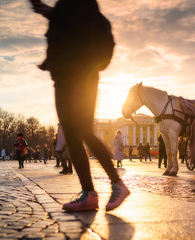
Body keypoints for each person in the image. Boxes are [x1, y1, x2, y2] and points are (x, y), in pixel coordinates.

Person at [30, 0, 130, 212]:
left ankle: (118, 184)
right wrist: (48, 61)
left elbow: (79, 28)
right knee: (73, 135)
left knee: (84, 131)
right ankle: (89, 194)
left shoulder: (82, 4)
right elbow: (63, 36)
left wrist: (52, 13)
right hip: (63, 76)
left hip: (82, 76)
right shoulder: (63, 5)